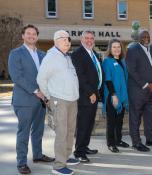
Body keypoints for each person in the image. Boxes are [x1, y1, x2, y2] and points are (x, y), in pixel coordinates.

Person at [8, 24, 54, 174]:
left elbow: (47, 75)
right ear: (23, 36)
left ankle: (38, 155)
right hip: (25, 100)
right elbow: (17, 77)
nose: (31, 36)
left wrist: (46, 93)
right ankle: (21, 162)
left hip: (41, 100)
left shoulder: (42, 54)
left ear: (37, 37)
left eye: (34, 34)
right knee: (24, 132)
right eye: (28, 33)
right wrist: (35, 91)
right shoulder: (16, 53)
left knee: (38, 130)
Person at [37, 30, 80, 175]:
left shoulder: (66, 57)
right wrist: (48, 97)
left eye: (68, 39)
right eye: (63, 39)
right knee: (61, 132)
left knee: (70, 130)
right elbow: (41, 79)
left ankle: (66, 156)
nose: (67, 42)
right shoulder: (51, 57)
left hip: (72, 100)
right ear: (55, 41)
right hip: (59, 100)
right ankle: (59, 165)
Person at [126, 30, 152, 152]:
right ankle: (136, 142)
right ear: (139, 38)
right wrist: (146, 85)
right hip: (138, 91)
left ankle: (150, 139)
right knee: (135, 118)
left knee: (150, 116)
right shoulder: (132, 50)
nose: (146, 38)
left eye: (148, 36)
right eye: (144, 36)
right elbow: (132, 70)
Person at [71, 31, 102, 162]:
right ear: (81, 39)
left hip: (94, 94)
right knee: (83, 124)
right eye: (86, 38)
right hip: (86, 96)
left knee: (89, 123)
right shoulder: (78, 54)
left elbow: (97, 73)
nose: (89, 40)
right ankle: (79, 152)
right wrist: (91, 93)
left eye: (91, 38)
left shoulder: (93, 53)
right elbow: (80, 76)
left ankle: (85, 146)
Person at [102, 39, 129, 153]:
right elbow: (107, 80)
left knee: (119, 120)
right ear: (110, 49)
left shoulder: (122, 61)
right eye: (114, 47)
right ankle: (111, 143)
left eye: (118, 47)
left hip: (122, 96)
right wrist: (113, 95)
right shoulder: (107, 61)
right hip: (112, 95)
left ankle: (118, 140)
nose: (117, 49)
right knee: (111, 121)